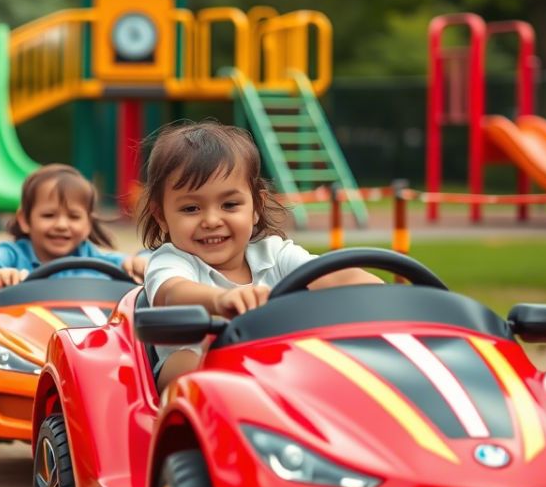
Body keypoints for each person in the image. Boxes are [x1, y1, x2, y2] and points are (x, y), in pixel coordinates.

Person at [138, 121, 382, 387]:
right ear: (161, 216)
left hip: (274, 379)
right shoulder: (172, 260)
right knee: (186, 359)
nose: (211, 220)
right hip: (198, 394)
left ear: (256, 207)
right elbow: (172, 294)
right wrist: (221, 300)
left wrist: (382, 294)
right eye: (191, 209)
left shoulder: (275, 254)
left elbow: (332, 276)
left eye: (229, 205)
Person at [0, 164, 146, 289]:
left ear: (88, 223)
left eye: (74, 217)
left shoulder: (92, 258)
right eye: (49, 215)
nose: (62, 225)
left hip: (78, 343)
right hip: (26, 340)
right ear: (24, 220)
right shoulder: (14, 255)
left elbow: (147, 260)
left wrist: (139, 263)